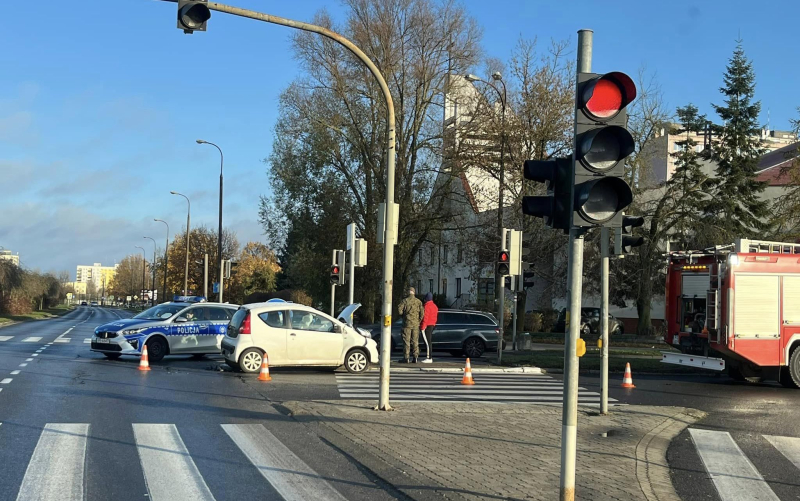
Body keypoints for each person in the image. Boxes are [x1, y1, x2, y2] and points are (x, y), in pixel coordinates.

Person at [397, 287, 423, 363]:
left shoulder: (405, 301)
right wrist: (418, 320)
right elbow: (422, 313)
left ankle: (406, 357)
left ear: (408, 292)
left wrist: (404, 317)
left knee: (406, 341)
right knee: (415, 341)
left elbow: (399, 311)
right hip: (415, 324)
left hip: (406, 324)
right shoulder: (418, 302)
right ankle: (415, 357)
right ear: (414, 292)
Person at [420, 292, 438, 362]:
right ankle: (429, 357)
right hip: (432, 325)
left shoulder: (427, 306)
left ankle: (429, 357)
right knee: (429, 341)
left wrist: (423, 326)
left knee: (427, 342)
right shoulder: (434, 306)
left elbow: (425, 317)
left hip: (427, 325)